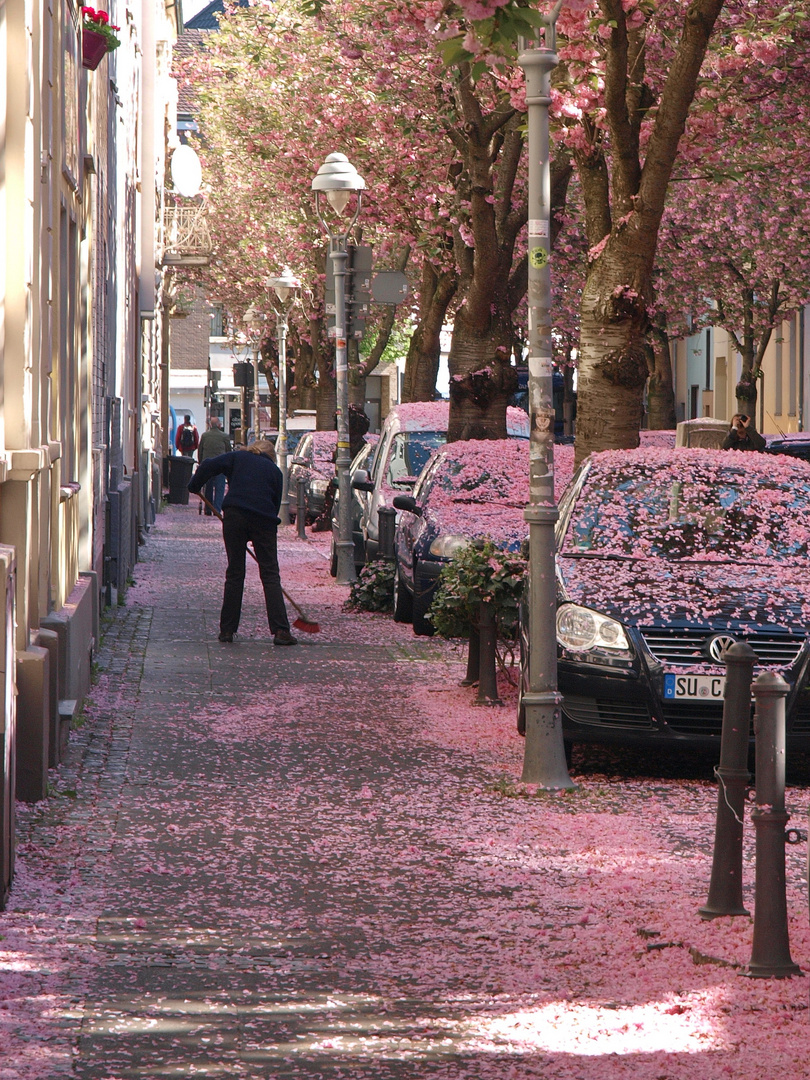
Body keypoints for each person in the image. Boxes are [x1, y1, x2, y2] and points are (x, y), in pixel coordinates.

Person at [188, 439, 297, 646]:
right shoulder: (275, 472)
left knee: (235, 573)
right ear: (270, 455)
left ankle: (227, 630)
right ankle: (281, 630)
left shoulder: (237, 457)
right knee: (270, 574)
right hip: (264, 520)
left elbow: (209, 464)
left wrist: (195, 485)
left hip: (235, 516)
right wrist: (262, 532)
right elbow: (275, 505)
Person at [196, 417, 231, 515]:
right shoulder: (225, 436)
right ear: (219, 425)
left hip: (207, 465)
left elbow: (200, 450)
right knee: (220, 487)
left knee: (208, 487)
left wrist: (200, 462)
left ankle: (208, 509)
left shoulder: (205, 435)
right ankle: (217, 509)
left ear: (210, 425)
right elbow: (229, 451)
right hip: (221, 465)